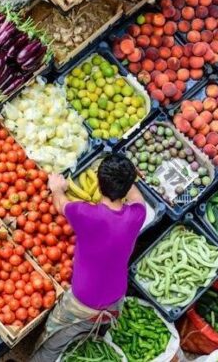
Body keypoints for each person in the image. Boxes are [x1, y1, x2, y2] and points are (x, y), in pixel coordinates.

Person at [30, 153, 146, 362]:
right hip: (115, 299)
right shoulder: (137, 215)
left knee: (51, 344)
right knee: (93, 330)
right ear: (128, 185)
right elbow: (138, 199)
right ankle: (91, 334)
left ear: (99, 183)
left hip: (81, 302)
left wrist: (56, 188)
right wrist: (129, 178)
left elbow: (60, 204)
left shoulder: (85, 214)